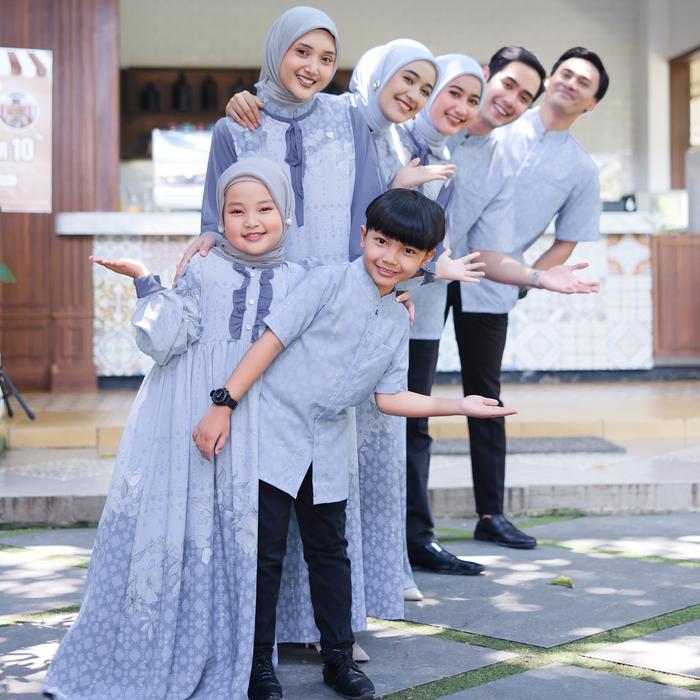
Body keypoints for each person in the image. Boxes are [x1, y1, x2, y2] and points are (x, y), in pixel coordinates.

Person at [192, 188, 516, 700]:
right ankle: (257, 666)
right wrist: (223, 403)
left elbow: (390, 398)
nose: (390, 258)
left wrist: (460, 405)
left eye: (408, 251)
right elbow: (269, 344)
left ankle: (338, 660)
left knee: (330, 554)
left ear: (426, 260)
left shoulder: (398, 318)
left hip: (329, 445)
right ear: (364, 236)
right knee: (266, 556)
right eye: (382, 242)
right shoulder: (326, 283)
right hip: (274, 433)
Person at [44, 158, 308, 700]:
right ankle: (174, 646)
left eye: (265, 208)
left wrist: (394, 294)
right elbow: (170, 338)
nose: (251, 221)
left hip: (261, 422)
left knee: (248, 537)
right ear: (219, 217)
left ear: (287, 212)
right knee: (189, 524)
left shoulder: (300, 279)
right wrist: (146, 280)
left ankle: (251, 656)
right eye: (236, 211)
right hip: (192, 413)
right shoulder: (204, 267)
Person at [405, 46, 602, 573]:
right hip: (423, 277)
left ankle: (490, 512)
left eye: (583, 83)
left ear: (592, 103)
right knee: (412, 397)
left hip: (494, 278)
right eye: (565, 74)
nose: (570, 84)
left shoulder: (579, 168)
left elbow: (568, 238)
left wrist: (528, 281)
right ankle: (409, 530)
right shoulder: (472, 120)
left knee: (485, 394)